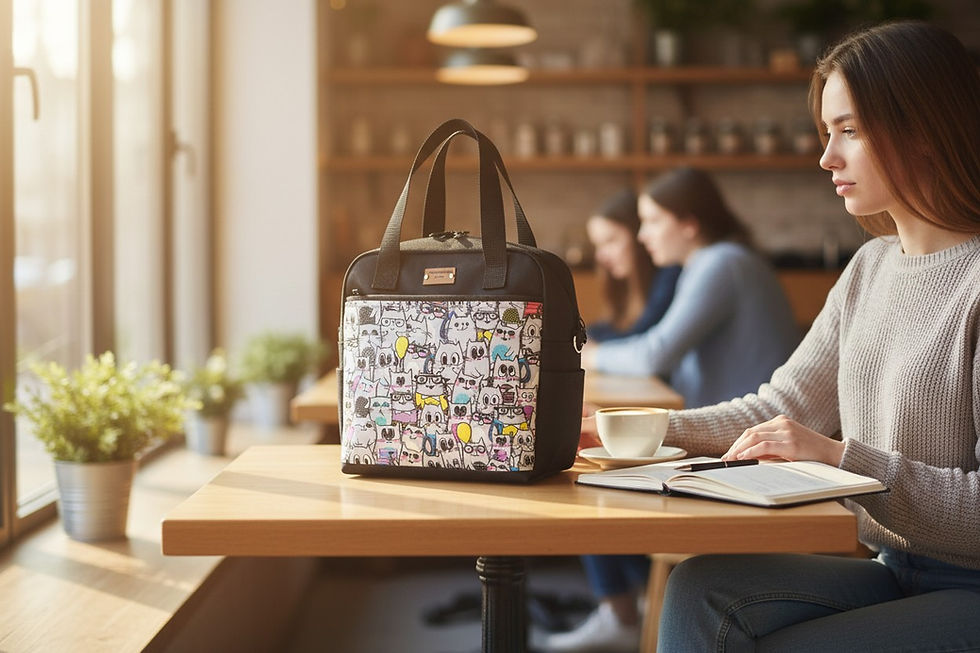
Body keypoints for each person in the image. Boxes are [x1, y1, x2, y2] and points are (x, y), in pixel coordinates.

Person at [655, 22, 980, 651]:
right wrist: (641, 429)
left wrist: (841, 459)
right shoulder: (871, 268)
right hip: (896, 571)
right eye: (828, 133)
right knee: (699, 589)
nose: (826, 158)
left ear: (926, 130)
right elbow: (779, 410)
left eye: (850, 131)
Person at [545, 168, 800, 652]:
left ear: (688, 223)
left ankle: (624, 611)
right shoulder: (717, 262)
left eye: (652, 222)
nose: (643, 236)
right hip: (733, 437)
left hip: (744, 451)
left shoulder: (720, 263)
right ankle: (631, 608)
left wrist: (580, 353)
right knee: (593, 454)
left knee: (586, 471)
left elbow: (653, 353)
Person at [585, 188, 681, 344]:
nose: (600, 256)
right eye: (597, 245)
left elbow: (640, 337)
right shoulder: (626, 287)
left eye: (610, 241)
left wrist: (589, 345)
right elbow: (612, 328)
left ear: (639, 236)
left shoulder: (670, 275)